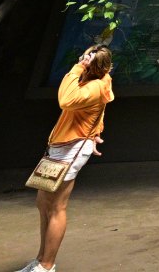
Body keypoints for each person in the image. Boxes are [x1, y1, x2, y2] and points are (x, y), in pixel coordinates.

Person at [21, 45, 114, 272]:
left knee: (56, 207)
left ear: (91, 63)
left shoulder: (94, 85)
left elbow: (65, 100)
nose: (81, 58)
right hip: (62, 146)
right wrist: (95, 132)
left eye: (85, 57)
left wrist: (76, 69)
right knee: (43, 203)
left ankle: (47, 266)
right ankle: (40, 260)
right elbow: (99, 111)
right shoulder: (96, 81)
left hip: (71, 149)